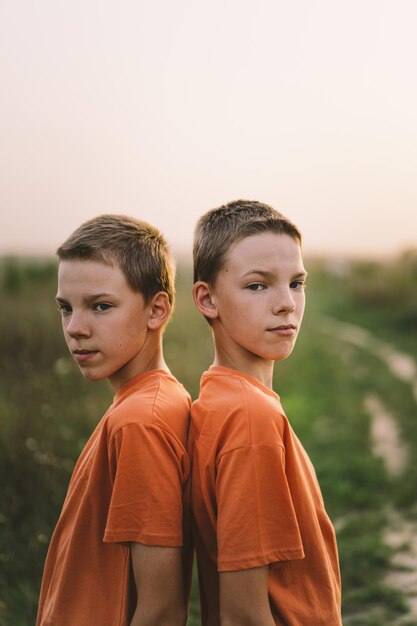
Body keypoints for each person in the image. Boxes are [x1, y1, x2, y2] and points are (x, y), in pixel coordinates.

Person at [189, 200, 342, 625]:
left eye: (296, 283)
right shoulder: (249, 418)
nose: (287, 304)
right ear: (207, 299)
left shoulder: (219, 398)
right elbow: (243, 615)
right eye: (258, 286)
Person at [36, 215, 191, 626]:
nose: (75, 328)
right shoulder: (143, 404)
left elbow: (161, 611)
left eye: (100, 306)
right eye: (65, 308)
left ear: (157, 309)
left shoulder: (142, 421)